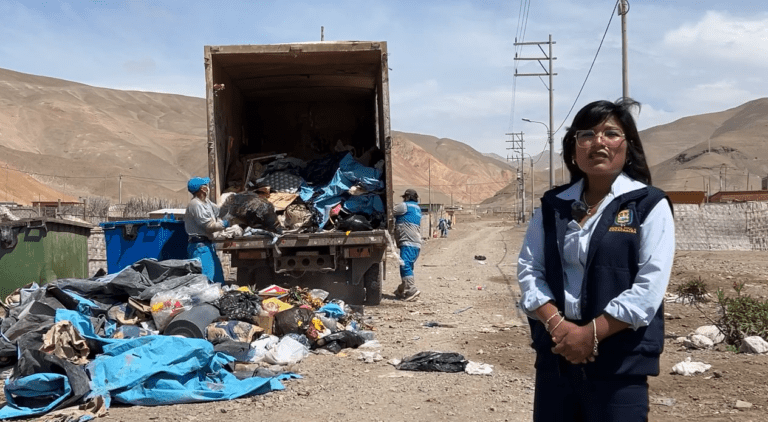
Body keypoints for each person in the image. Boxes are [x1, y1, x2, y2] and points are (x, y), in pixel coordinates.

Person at [517, 98, 675, 421]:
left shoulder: (649, 205)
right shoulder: (552, 206)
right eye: (587, 134)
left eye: (611, 133)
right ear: (574, 148)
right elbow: (530, 270)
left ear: (628, 146)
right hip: (557, 361)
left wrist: (589, 336)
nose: (598, 142)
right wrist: (559, 327)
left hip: (620, 367)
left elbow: (648, 289)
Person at [184, 176, 230, 284]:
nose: (207, 187)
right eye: (205, 185)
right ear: (203, 189)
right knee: (207, 281)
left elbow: (220, 211)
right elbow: (209, 227)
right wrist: (226, 224)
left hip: (208, 246)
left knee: (218, 279)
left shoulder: (206, 202)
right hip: (200, 247)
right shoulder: (195, 205)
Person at [393, 188, 422, 301]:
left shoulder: (404, 206)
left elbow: (389, 210)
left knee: (405, 265)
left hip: (408, 242)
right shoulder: (417, 208)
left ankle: (411, 290)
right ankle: (402, 289)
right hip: (416, 243)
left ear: (408, 197)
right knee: (408, 266)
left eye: (405, 197)